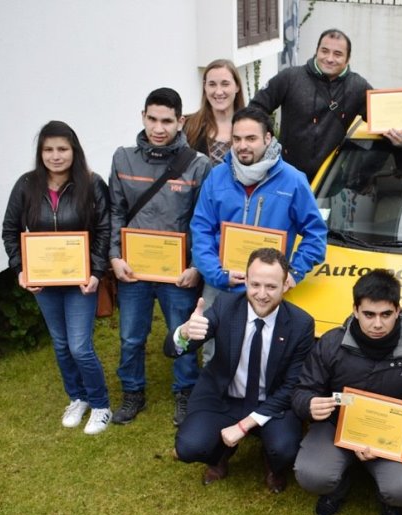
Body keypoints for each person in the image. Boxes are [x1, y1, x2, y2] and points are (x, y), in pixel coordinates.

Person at [292, 269, 402, 515]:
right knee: (311, 475)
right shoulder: (331, 343)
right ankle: (337, 487)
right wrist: (308, 404)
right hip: (336, 428)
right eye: (369, 314)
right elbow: (302, 389)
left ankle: (388, 499)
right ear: (355, 310)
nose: (377, 324)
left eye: (386, 314)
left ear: (398, 310)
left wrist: (392, 439)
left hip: (393, 436)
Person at [168, 248, 314, 492]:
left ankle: (273, 464)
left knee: (285, 449)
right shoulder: (225, 305)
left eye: (271, 286)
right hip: (224, 397)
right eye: (255, 284)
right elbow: (179, 346)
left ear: (286, 284)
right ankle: (218, 458)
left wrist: (244, 425)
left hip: (272, 402)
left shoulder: (301, 324)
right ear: (245, 280)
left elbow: (291, 386)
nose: (262, 294)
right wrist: (184, 334)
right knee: (190, 447)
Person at [190, 106, 327, 364]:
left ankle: (258, 401)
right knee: (214, 351)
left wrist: (293, 273)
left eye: (251, 139)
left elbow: (315, 235)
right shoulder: (217, 177)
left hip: (267, 287)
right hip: (222, 283)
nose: (243, 145)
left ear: (268, 139)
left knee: (263, 352)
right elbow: (201, 229)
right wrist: (216, 273)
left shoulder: (293, 181)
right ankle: (215, 400)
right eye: (237, 139)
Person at [108, 87, 212, 427]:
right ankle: (132, 393)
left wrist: (197, 266)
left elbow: (203, 221)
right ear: (142, 117)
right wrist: (114, 257)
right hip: (134, 270)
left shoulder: (198, 166)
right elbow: (115, 212)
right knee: (130, 335)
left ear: (180, 121)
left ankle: (185, 393)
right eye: (152, 119)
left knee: (181, 333)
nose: (158, 128)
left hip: (177, 272)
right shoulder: (122, 159)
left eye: (167, 121)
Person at [1, 121, 112, 435]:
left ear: (74, 151)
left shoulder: (92, 184)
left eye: (62, 149)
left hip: (80, 282)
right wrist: (21, 269)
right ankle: (77, 397)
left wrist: (96, 272)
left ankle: (101, 404)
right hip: (44, 282)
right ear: (40, 153)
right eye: (48, 149)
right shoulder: (26, 185)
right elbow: (11, 231)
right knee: (61, 345)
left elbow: (103, 230)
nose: (55, 156)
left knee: (80, 346)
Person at [249, 28, 402, 182]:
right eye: (324, 51)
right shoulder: (290, 78)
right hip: (285, 176)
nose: (330, 58)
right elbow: (255, 109)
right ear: (316, 51)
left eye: (338, 54)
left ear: (348, 59)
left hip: (326, 186)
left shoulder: (357, 87)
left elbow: (385, 121)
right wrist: (267, 143)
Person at [183, 59, 246, 166]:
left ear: (237, 86)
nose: (218, 92)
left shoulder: (253, 126)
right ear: (205, 87)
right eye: (212, 84)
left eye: (225, 84)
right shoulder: (188, 126)